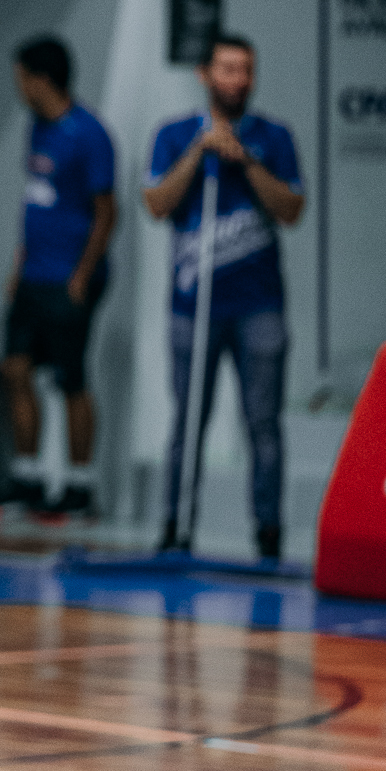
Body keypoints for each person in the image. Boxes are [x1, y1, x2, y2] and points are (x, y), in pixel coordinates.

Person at [144, 34, 304, 561]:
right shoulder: (173, 134)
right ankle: (176, 526)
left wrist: (246, 162)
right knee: (187, 421)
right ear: (205, 74)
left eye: (246, 70)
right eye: (228, 69)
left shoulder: (274, 137)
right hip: (193, 307)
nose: (238, 80)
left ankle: (268, 532)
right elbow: (157, 203)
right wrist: (200, 151)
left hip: (260, 306)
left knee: (263, 423)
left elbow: (291, 209)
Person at [2, 37, 117, 516]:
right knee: (15, 369)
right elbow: (35, 202)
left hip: (69, 276)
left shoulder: (89, 134)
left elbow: (107, 212)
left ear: (42, 79)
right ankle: (27, 476)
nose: (19, 88)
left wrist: (82, 275)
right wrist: (18, 266)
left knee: (71, 379)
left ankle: (79, 483)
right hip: (34, 273)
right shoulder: (36, 128)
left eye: (22, 78)